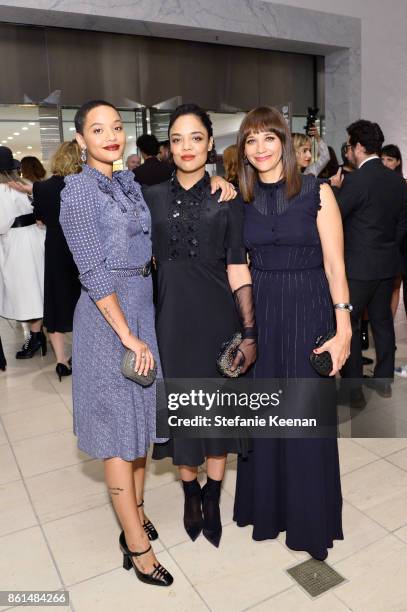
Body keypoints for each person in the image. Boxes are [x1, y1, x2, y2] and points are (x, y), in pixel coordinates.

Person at [60, 100, 174, 587]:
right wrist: (126, 333)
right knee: (115, 431)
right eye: (97, 129)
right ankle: (136, 546)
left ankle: (138, 511)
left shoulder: (124, 183)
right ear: (80, 139)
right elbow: (91, 270)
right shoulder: (79, 193)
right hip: (109, 321)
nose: (111, 135)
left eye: (117, 127)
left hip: (139, 309)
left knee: (140, 422)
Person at [233, 106, 351, 561]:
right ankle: (270, 511)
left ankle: (309, 521)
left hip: (308, 310)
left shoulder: (317, 193)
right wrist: (245, 331)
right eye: (251, 140)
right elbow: (236, 263)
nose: (260, 148)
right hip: (264, 313)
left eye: (268, 138)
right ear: (243, 150)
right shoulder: (240, 199)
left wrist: (343, 331)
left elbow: (336, 265)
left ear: (285, 141)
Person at [144, 103, 257, 548]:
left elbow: (237, 266)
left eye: (195, 138)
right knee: (183, 410)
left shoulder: (227, 198)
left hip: (217, 317)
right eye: (177, 139)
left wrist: (249, 332)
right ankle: (189, 491)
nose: (186, 147)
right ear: (168, 148)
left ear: (211, 144)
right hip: (170, 318)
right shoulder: (149, 196)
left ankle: (212, 494)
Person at [333, 121, 407, 403]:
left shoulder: (355, 181)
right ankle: (383, 380)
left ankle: (352, 391)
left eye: (350, 145)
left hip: (359, 266)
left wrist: (337, 190)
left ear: (359, 147)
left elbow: (335, 217)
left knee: (348, 324)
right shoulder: (396, 181)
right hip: (387, 264)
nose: (349, 151)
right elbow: (402, 223)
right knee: (383, 321)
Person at [32, 142, 82, 380]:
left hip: (55, 248)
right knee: (84, 301)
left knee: (56, 300)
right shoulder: (84, 186)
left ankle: (61, 361)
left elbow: (39, 217)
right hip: (82, 247)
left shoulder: (42, 188)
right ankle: (81, 354)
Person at [0, 146, 46, 359]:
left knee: (26, 292)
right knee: (36, 288)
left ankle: (36, 338)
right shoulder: (25, 184)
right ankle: (38, 335)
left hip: (17, 244)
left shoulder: (1, 191)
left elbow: (1, 224)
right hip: (36, 238)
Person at [381, 145, 407, 377]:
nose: (387, 163)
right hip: (386, 247)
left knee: (396, 288)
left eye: (390, 159)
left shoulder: (403, 185)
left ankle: (387, 332)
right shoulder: (380, 184)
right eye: (383, 159)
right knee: (390, 289)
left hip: (399, 247)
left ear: (398, 162)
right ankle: (387, 335)